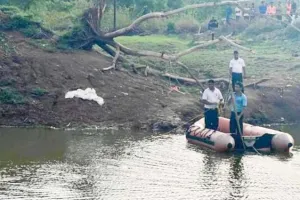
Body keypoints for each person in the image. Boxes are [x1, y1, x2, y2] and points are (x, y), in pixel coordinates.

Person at [228, 82, 247, 149]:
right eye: (235, 87)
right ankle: (232, 142)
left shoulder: (243, 97)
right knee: (232, 128)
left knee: (239, 129)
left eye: (237, 87)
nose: (236, 88)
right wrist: (231, 97)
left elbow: (244, 108)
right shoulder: (233, 94)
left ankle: (239, 144)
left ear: (241, 88)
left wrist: (239, 116)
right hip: (233, 113)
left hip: (239, 113)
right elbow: (228, 103)